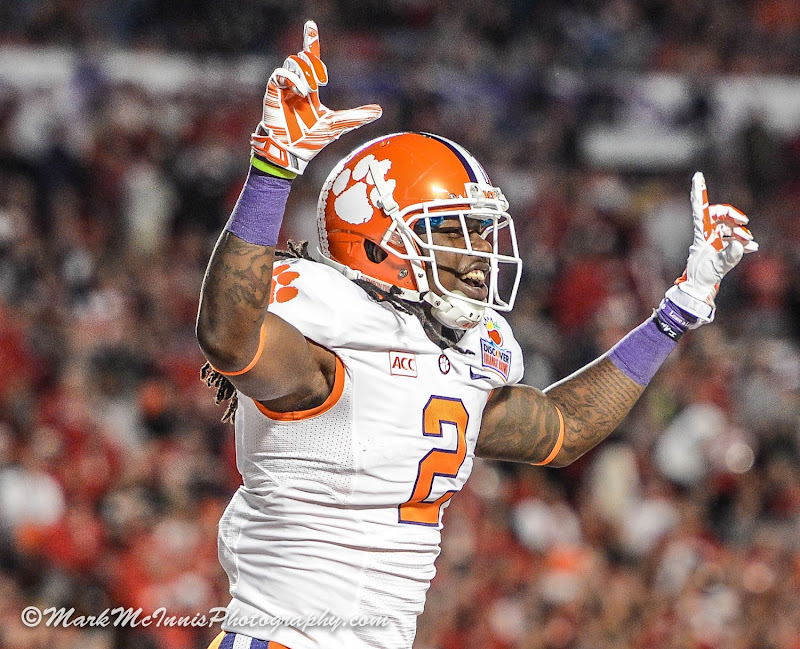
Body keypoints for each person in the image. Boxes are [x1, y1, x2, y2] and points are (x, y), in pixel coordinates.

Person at [196, 21, 758, 649]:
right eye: (455, 230)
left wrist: (678, 310)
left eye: (482, 229)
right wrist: (273, 171)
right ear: (380, 238)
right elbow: (228, 336)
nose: (481, 251)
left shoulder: (453, 358)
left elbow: (564, 431)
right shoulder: (330, 350)